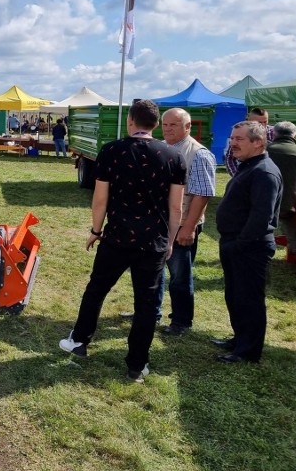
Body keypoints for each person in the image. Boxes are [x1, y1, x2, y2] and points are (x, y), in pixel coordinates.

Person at [59, 99, 185, 382]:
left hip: (116, 237)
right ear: (155, 124)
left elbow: (100, 199)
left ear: (131, 121)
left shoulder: (111, 151)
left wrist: (95, 229)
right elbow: (176, 207)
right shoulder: (173, 156)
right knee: (146, 304)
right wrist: (170, 240)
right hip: (153, 241)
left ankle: (79, 340)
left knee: (97, 289)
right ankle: (137, 365)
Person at [214, 121, 282, 363]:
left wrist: (239, 245)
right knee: (235, 295)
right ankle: (239, 338)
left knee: (249, 299)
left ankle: (248, 351)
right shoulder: (249, 165)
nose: (233, 143)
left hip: (249, 247)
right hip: (235, 244)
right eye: (232, 138)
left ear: (258, 142)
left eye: (239, 139)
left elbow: (261, 216)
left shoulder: (264, 171)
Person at [158, 108, 217, 335]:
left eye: (174, 124)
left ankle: (181, 321)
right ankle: (152, 311)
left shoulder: (199, 153)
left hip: (183, 224)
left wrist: (189, 227)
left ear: (188, 126)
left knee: (180, 276)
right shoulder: (163, 147)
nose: (168, 128)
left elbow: (203, 194)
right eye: (165, 124)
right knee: (154, 271)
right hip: (162, 222)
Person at [267, 121, 296, 255]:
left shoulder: (262, 149)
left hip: (263, 200)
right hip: (290, 202)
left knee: (261, 226)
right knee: (291, 221)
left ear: (274, 133)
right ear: (294, 135)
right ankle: (295, 246)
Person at [224, 108, 274, 176]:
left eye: (265, 122)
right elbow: (230, 158)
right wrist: (237, 177)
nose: (262, 125)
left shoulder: (274, 133)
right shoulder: (241, 134)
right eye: (258, 122)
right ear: (249, 121)